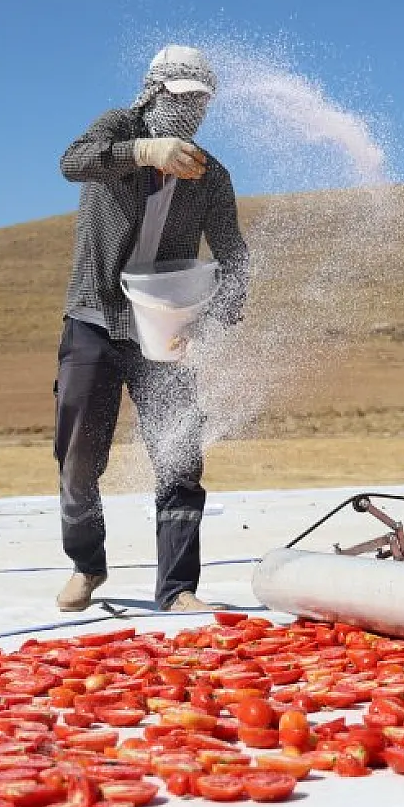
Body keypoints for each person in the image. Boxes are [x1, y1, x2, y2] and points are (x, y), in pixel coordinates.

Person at [53, 45, 248, 614]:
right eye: (182, 102)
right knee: (77, 456)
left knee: (180, 453)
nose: (191, 117)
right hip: (94, 317)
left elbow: (235, 258)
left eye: (202, 106)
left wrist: (213, 320)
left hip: (166, 332)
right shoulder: (119, 132)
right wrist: (142, 151)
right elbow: (72, 161)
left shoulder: (211, 178)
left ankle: (177, 587)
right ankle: (86, 565)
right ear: (154, 94)